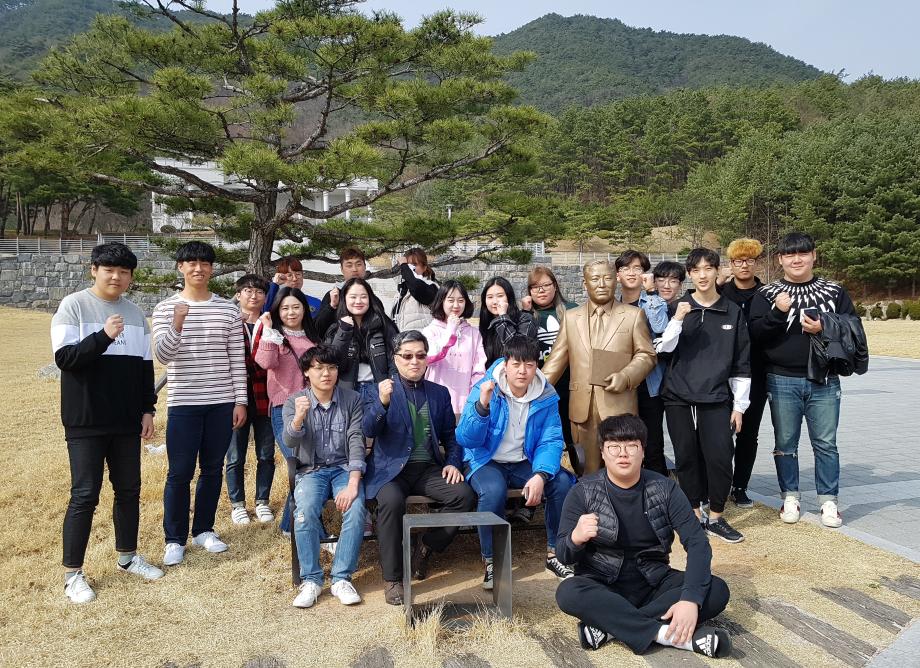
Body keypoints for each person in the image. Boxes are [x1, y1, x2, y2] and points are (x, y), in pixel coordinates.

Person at [555, 415, 732, 658]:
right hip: (603, 585)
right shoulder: (582, 492)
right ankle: (668, 636)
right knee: (568, 592)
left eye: (631, 446)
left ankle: (611, 627)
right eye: (614, 447)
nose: (623, 454)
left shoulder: (665, 489)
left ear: (643, 451)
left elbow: (697, 544)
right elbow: (563, 555)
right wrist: (575, 538)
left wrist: (690, 600)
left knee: (717, 589)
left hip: (654, 583)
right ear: (603, 452)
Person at [52, 242, 164, 603]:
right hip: (86, 419)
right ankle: (73, 575)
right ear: (94, 270)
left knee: (129, 490)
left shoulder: (135, 313)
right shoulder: (73, 306)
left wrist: (147, 410)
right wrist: (103, 336)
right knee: (85, 494)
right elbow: (66, 359)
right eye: (109, 270)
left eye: (123, 271)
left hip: (126, 420)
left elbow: (144, 368)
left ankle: (128, 557)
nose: (116, 277)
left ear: (130, 276)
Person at [749, 232, 858, 528]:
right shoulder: (768, 294)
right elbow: (755, 333)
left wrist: (825, 327)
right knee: (785, 442)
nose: (796, 259)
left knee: (826, 443)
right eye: (789, 254)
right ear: (780, 259)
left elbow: (854, 326)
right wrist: (777, 312)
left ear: (813, 256)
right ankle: (790, 497)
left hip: (825, 378)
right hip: (781, 378)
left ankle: (829, 501)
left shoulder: (834, 291)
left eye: (802, 253)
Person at [362, 331, 477, 606]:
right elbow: (368, 429)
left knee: (464, 495)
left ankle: (427, 545)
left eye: (420, 356)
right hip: (391, 472)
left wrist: (452, 463)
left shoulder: (438, 393)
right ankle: (393, 579)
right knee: (391, 501)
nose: (414, 361)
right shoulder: (377, 390)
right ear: (395, 358)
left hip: (427, 470)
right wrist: (382, 403)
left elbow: (451, 437)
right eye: (407, 356)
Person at [152, 241, 248, 566]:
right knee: (179, 472)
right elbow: (163, 355)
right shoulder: (165, 308)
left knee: (212, 468)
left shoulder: (228, 310)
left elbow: (236, 359)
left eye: (204, 263)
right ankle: (174, 538)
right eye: (191, 262)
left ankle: (204, 530)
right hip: (184, 403)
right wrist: (178, 323)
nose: (198, 268)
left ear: (211, 268)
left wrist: (240, 401)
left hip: (222, 402)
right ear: (180, 267)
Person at [457, 336, 575, 589]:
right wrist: (482, 406)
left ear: (536, 366)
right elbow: (466, 438)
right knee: (493, 490)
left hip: (524, 460)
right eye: (516, 364)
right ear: (506, 364)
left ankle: (556, 553)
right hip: (486, 459)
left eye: (529, 365)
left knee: (562, 483)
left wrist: (540, 474)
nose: (523, 371)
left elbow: (551, 439)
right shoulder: (486, 387)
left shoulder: (545, 394)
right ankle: (492, 560)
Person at [656, 248, 751, 544]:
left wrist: (740, 406)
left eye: (708, 268)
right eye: (696, 270)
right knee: (685, 456)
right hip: (678, 395)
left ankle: (717, 517)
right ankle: (694, 514)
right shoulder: (677, 307)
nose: (702, 275)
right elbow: (663, 349)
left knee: (720, 456)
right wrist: (678, 319)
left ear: (717, 271)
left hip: (717, 395)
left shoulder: (732, 311)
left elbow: (741, 361)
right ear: (690, 274)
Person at [542, 260, 657, 475]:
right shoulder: (571, 318)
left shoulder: (633, 315)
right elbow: (556, 360)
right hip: (582, 410)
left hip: (619, 404)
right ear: (585, 284)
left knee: (622, 470)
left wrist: (627, 376)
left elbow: (647, 355)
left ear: (616, 281)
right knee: (586, 470)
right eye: (595, 279)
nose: (602, 284)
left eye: (607, 278)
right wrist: (529, 390)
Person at [283, 345, 367, 608]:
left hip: (343, 469)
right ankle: (311, 580)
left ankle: (341, 578)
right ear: (306, 373)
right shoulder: (295, 401)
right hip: (311, 471)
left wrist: (353, 483)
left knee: (356, 508)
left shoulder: (352, 399)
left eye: (331, 367)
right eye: (318, 368)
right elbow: (289, 442)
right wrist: (298, 418)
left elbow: (356, 439)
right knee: (305, 511)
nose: (326, 373)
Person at [254, 286, 320, 534]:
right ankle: (316, 532)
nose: (291, 312)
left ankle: (288, 526)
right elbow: (265, 362)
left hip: (314, 408)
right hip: (285, 409)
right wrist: (268, 331)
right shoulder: (276, 337)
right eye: (285, 308)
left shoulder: (313, 336)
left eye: (295, 307)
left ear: (304, 309)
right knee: (300, 466)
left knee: (306, 468)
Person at [716, 238, 767, 508]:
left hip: (757, 374)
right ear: (731, 264)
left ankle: (740, 486)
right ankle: (719, 484)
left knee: (748, 434)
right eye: (738, 261)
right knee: (720, 434)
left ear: (757, 263)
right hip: (722, 375)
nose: (744, 265)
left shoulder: (767, 294)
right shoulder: (721, 293)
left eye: (749, 260)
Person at [225, 274, 277, 526]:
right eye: (248, 290)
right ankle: (237, 504)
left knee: (266, 453)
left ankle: (262, 500)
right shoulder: (230, 323)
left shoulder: (271, 323)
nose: (253, 295)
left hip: (265, 395)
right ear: (238, 295)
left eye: (259, 291)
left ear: (265, 297)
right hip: (236, 396)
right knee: (235, 455)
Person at [615, 250, 670, 476]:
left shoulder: (654, 301)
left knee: (652, 443)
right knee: (623, 439)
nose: (631, 273)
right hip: (621, 381)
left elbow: (661, 329)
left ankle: (658, 488)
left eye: (637, 268)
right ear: (617, 275)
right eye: (625, 268)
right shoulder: (612, 305)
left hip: (649, 382)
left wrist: (652, 293)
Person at [421, 280, 487, 418]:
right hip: (435, 402)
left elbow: (479, 370)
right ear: (441, 301)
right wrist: (450, 330)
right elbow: (430, 357)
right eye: (451, 300)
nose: (456, 305)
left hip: (465, 404)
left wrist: (474, 399)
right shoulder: (430, 331)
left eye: (461, 300)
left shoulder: (474, 333)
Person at [325, 278, 398, 395]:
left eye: (363, 297)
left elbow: (396, 357)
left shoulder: (383, 324)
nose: (358, 301)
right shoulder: (335, 329)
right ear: (344, 299)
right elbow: (332, 362)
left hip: (379, 390)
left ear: (370, 298)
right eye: (353, 297)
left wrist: (392, 384)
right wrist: (344, 331)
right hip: (347, 394)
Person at [313, 248, 383, 339]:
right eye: (349, 265)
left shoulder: (373, 299)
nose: (354, 269)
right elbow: (317, 330)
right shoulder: (333, 296)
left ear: (365, 267)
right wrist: (331, 307)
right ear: (342, 269)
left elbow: (384, 328)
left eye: (358, 264)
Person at [478, 277, 539, 368]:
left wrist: (502, 316)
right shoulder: (486, 324)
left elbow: (518, 352)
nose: (495, 301)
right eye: (490, 297)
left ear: (509, 298)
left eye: (500, 296)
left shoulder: (525, 319)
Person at [392, 247, 438, 331]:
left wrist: (404, 266)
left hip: (422, 337)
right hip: (403, 337)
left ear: (424, 267)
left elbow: (416, 287)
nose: (410, 268)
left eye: (414, 264)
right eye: (408, 264)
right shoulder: (402, 291)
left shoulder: (431, 287)